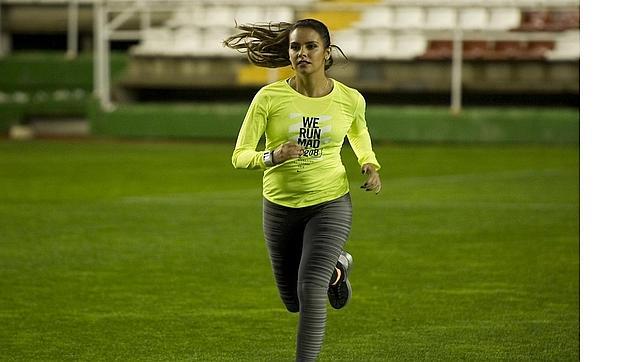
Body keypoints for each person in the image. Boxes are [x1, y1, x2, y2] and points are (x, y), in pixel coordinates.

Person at [224, 19, 382, 361]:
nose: (302, 53)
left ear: (326, 52)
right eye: (295, 47)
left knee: (310, 290)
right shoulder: (269, 97)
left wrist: (369, 163)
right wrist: (272, 155)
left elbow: (358, 133)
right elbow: (239, 156)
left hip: (330, 202)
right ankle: (338, 268)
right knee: (292, 300)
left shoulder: (350, 99)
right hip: (280, 206)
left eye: (311, 46)